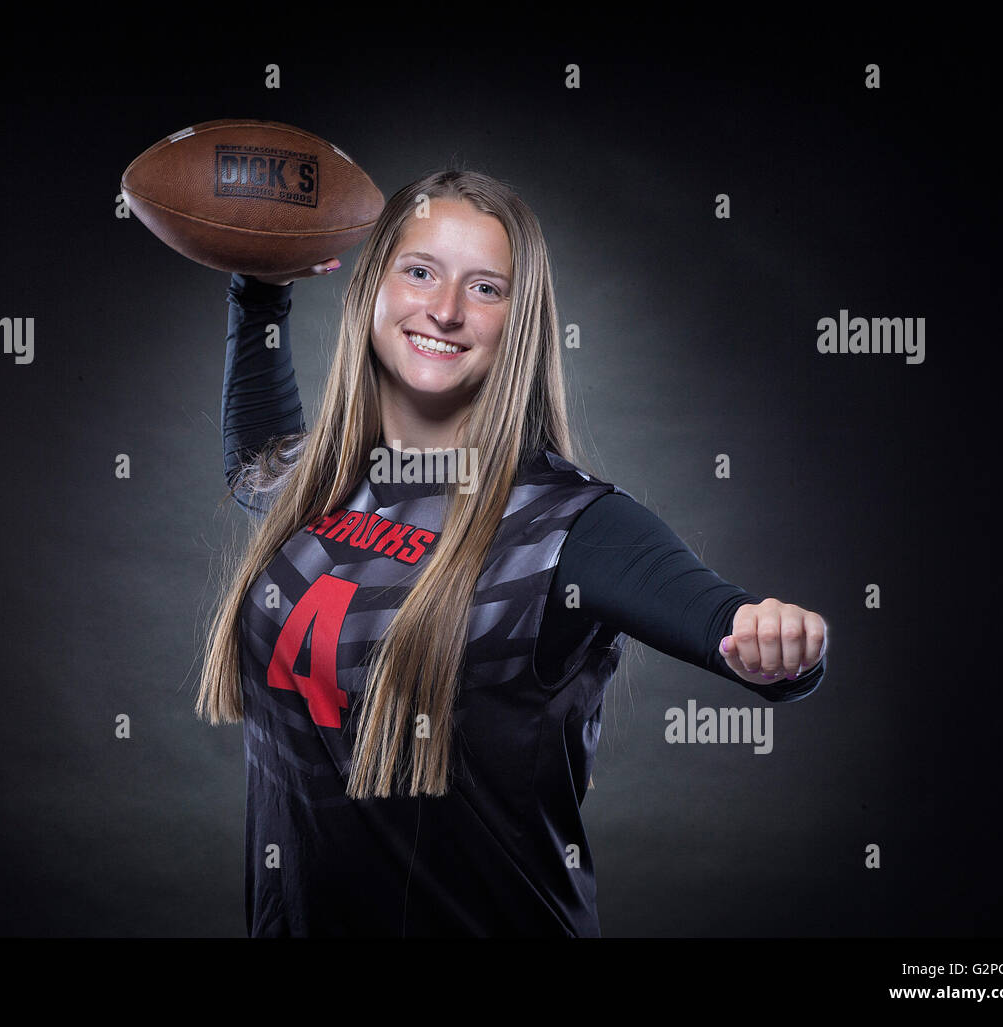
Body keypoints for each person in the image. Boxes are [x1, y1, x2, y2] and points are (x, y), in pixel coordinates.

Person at [196, 170, 828, 937]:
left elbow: (725, 622)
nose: (446, 309)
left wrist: (776, 642)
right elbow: (255, 455)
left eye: (486, 288)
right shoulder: (318, 483)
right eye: (421, 271)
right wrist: (258, 293)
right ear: (372, 289)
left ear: (519, 323)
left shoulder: (563, 522)